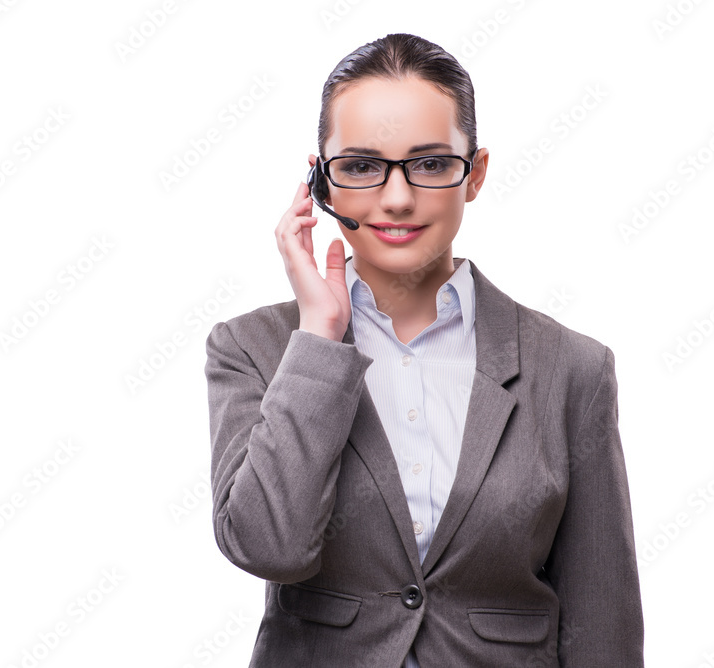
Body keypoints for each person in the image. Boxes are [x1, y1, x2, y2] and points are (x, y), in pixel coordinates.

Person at [204, 33, 643, 667]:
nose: (398, 197)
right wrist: (319, 340)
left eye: (431, 163)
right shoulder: (254, 349)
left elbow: (605, 619)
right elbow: (268, 546)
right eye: (360, 165)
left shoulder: (572, 369)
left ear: (477, 173)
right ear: (319, 181)